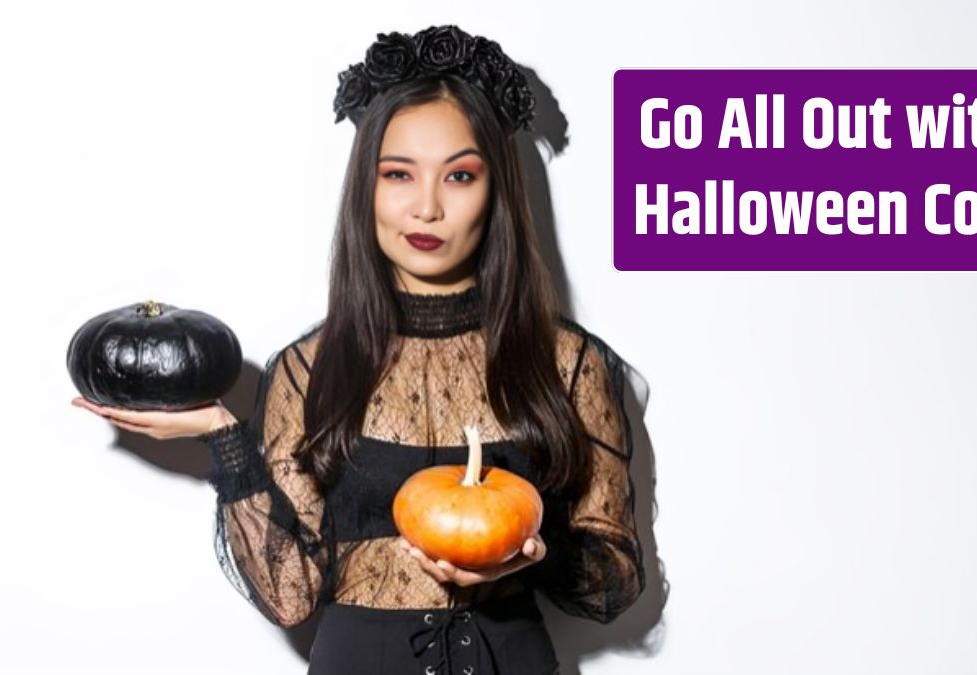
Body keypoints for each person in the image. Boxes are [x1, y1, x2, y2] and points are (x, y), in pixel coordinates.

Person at [71, 25, 645, 675]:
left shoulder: (568, 362)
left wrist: (536, 550)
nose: (425, 206)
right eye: (399, 174)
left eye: (459, 175)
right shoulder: (309, 369)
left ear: (497, 192)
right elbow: (291, 597)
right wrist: (223, 437)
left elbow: (615, 579)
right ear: (365, 188)